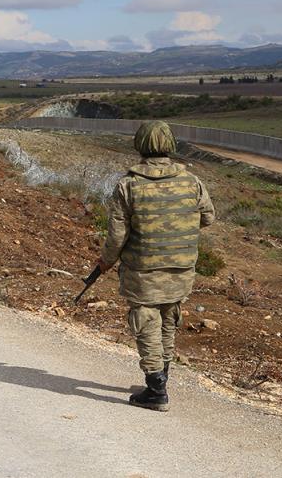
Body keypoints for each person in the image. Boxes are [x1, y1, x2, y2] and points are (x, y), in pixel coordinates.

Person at [92, 121, 215, 411]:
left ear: (140, 144)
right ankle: (162, 377)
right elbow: (208, 217)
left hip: (143, 268)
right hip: (181, 267)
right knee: (168, 317)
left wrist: (106, 261)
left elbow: (117, 235)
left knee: (146, 320)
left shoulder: (129, 185)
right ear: (170, 144)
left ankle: (156, 388)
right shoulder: (191, 181)